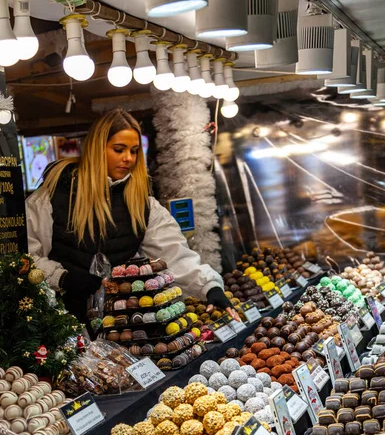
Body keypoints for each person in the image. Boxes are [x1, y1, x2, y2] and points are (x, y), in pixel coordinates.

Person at [26, 108, 238, 325]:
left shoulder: (141, 204)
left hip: (121, 322)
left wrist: (209, 287)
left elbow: (174, 254)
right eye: (119, 149)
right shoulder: (53, 196)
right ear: (96, 149)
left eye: (134, 151)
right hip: (59, 323)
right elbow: (25, 255)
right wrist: (63, 278)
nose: (128, 158)